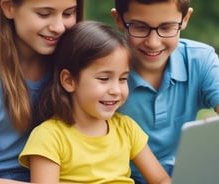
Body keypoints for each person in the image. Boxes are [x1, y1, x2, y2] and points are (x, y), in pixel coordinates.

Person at [110, 0, 219, 183]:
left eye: (167, 27)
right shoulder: (104, 70)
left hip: (182, 175)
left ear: (185, 18)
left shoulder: (199, 59)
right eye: (139, 27)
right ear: (119, 20)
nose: (153, 43)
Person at [18, 20, 172, 184]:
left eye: (123, 79)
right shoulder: (49, 137)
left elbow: (161, 179)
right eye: (104, 78)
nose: (116, 90)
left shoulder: (126, 129)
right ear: (69, 81)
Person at [0, 0, 84, 183]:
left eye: (68, 14)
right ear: (9, 7)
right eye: (44, 14)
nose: (59, 27)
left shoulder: (75, 67)